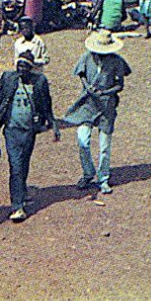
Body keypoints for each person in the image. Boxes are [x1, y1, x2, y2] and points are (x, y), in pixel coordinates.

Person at [0, 50, 59, 222]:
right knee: (16, 167)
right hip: (11, 131)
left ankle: (22, 191)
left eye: (25, 66)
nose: (21, 69)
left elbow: (46, 105)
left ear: (31, 68)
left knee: (23, 164)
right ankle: (17, 206)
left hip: (29, 132)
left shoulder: (39, 83)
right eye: (19, 65)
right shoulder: (9, 80)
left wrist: (53, 124)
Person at [61, 29, 131, 197]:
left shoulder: (116, 61)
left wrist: (106, 92)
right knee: (82, 139)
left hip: (107, 106)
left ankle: (103, 178)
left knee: (104, 145)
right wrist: (87, 87)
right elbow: (81, 75)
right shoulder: (86, 57)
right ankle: (88, 172)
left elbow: (119, 85)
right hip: (88, 104)